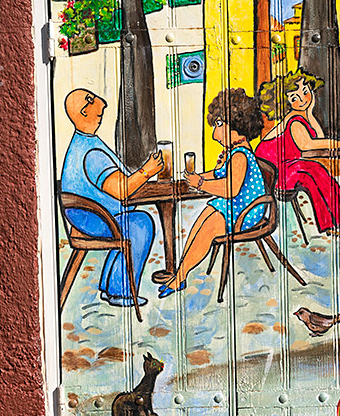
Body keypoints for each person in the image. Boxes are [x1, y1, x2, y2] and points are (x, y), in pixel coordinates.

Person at [60, 88, 164, 308]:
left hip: (88, 216)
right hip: (95, 219)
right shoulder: (91, 153)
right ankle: (120, 291)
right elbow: (121, 190)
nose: (103, 106)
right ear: (84, 111)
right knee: (140, 224)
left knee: (131, 221)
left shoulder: (83, 142)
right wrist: (148, 170)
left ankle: (110, 287)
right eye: (96, 105)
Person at [159, 88, 268, 299]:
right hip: (235, 206)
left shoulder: (240, 156)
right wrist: (199, 176)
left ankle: (180, 277)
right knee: (202, 219)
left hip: (246, 210)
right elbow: (217, 174)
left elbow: (230, 189)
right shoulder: (232, 152)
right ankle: (180, 271)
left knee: (208, 229)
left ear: (236, 124)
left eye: (219, 124)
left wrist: (200, 183)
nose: (214, 132)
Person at [254, 70, 340, 236]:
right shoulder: (294, 121)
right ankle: (334, 224)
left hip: (285, 168)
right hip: (275, 173)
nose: (303, 99)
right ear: (287, 103)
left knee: (317, 172)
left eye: (305, 92)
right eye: (295, 98)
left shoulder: (301, 116)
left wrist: (310, 110)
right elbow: (309, 145)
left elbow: (319, 137)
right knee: (313, 172)